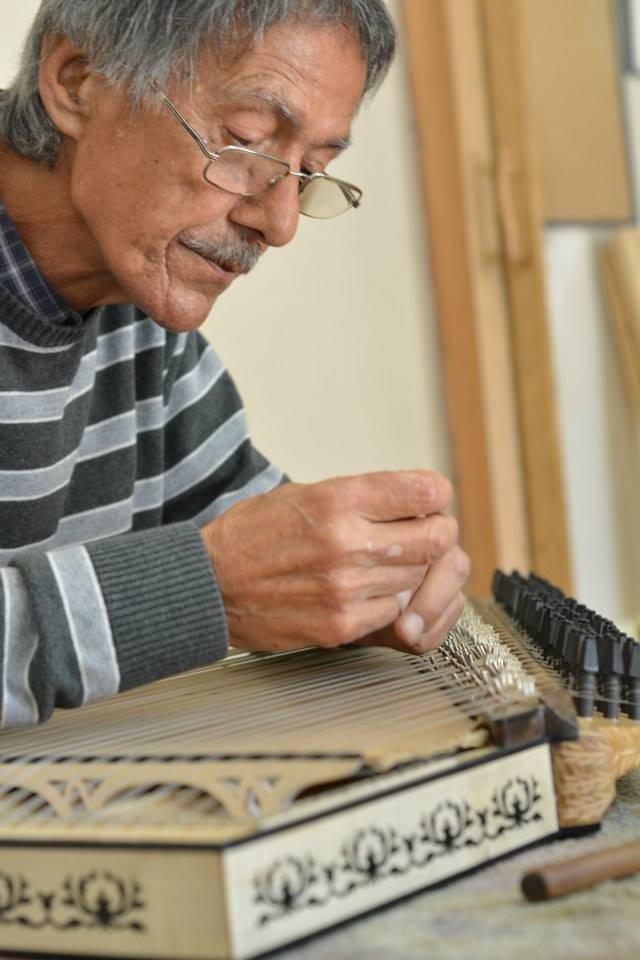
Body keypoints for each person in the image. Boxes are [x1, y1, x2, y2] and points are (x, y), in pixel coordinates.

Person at [0, 0, 470, 728]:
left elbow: (255, 543)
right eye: (246, 141)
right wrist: (196, 594)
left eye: (310, 171)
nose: (279, 224)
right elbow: (213, 580)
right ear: (77, 80)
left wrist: (361, 579)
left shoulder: (137, 310)